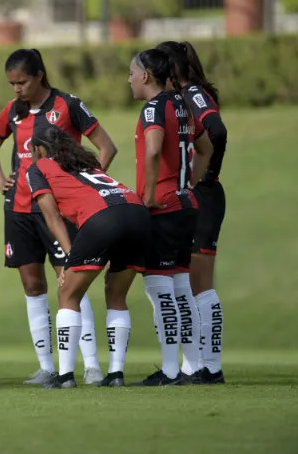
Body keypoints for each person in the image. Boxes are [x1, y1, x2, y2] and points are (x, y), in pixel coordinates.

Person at [0, 48, 118, 386]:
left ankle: (91, 367)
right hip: (19, 210)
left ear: (39, 75)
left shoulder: (68, 105)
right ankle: (47, 367)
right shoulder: (12, 111)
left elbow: (107, 146)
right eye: (11, 83)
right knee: (32, 285)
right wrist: (3, 182)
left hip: (59, 209)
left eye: (22, 82)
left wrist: (85, 183)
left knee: (70, 284)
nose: (17, 89)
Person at [26, 126, 150, 388]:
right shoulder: (86, 161)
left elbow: (52, 216)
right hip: (137, 213)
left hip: (103, 218)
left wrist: (70, 256)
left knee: (67, 296)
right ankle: (116, 375)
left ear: (39, 149)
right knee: (116, 296)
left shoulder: (39, 168)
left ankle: (65, 376)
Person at [128, 48, 213, 386]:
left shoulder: (154, 108)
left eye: (132, 73)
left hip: (162, 206)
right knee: (181, 288)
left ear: (146, 75)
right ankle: (193, 367)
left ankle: (168, 370)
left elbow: (152, 148)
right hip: (185, 202)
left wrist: (148, 196)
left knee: (159, 288)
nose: (130, 80)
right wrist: (189, 183)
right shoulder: (181, 103)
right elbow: (204, 148)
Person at [157, 41, 227, 384]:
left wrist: (203, 175)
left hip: (202, 195)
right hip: (193, 196)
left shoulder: (192, 93)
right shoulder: (177, 98)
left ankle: (209, 367)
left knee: (200, 285)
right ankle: (194, 366)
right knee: (186, 281)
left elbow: (217, 130)